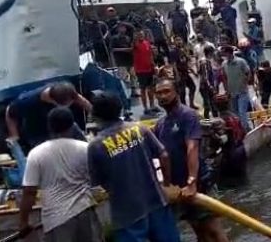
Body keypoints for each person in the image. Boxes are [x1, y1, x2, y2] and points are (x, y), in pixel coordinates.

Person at [87, 91, 180, 242]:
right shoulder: (139, 129)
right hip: (156, 200)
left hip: (127, 213)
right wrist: (167, 184)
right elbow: (163, 155)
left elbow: (96, 185)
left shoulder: (96, 146)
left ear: (95, 115)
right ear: (120, 108)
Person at [153, 80, 229, 242]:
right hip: (179, 189)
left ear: (177, 92)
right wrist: (166, 184)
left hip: (198, 183)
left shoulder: (187, 115)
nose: (162, 96)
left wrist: (192, 182)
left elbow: (192, 148)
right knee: (199, 230)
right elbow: (159, 155)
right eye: (159, 93)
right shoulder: (160, 124)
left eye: (166, 91)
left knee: (213, 229)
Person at [19, 107, 102, 242]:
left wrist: (23, 222)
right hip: (85, 211)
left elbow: (29, 192)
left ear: (49, 126)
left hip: (56, 219)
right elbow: (97, 179)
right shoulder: (85, 148)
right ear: (72, 125)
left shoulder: (36, 154)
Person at [5, 82, 90, 151]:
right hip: (39, 133)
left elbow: (80, 99)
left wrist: (95, 113)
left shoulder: (63, 90)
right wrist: (14, 135)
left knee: (80, 139)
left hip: (61, 124)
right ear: (53, 101)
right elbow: (10, 112)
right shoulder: (28, 101)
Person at [220, 46, 252, 132]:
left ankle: (246, 129)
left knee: (242, 112)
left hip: (242, 92)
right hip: (231, 92)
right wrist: (226, 90)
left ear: (229, 53)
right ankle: (239, 129)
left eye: (225, 53)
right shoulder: (224, 64)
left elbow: (248, 73)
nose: (224, 55)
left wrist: (245, 83)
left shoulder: (241, 62)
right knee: (234, 112)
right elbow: (224, 77)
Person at [133, 29, 159, 116]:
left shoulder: (146, 43)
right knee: (143, 89)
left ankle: (152, 105)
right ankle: (145, 108)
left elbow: (150, 55)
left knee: (151, 88)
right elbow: (133, 46)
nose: (140, 36)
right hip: (140, 71)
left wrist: (154, 66)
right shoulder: (135, 44)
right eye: (139, 34)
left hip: (149, 69)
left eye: (142, 34)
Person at [169, 36, 198, 109]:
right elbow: (174, 64)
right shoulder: (173, 52)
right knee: (182, 92)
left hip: (186, 72)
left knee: (193, 87)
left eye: (180, 40)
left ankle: (191, 104)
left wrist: (193, 71)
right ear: (174, 42)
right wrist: (177, 75)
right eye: (177, 40)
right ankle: (183, 107)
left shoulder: (184, 50)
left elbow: (187, 62)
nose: (179, 41)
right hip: (179, 73)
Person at [111, 23, 138, 97]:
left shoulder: (128, 38)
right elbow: (113, 49)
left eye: (124, 28)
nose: (123, 29)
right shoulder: (114, 38)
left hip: (130, 59)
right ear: (118, 29)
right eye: (121, 28)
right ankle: (125, 93)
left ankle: (134, 91)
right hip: (121, 61)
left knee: (133, 76)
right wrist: (124, 49)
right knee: (124, 78)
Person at [198, 46, 219, 119]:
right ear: (210, 53)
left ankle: (215, 118)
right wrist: (210, 87)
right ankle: (207, 121)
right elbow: (205, 76)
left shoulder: (204, 61)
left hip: (206, 86)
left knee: (212, 103)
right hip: (205, 87)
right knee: (208, 105)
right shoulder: (205, 62)